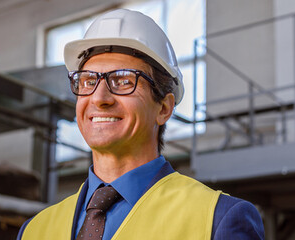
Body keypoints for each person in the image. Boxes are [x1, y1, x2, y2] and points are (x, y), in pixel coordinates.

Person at [17, 9, 264, 240]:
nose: (99, 98)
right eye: (88, 81)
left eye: (124, 81)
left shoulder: (218, 219)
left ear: (164, 108)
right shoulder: (34, 230)